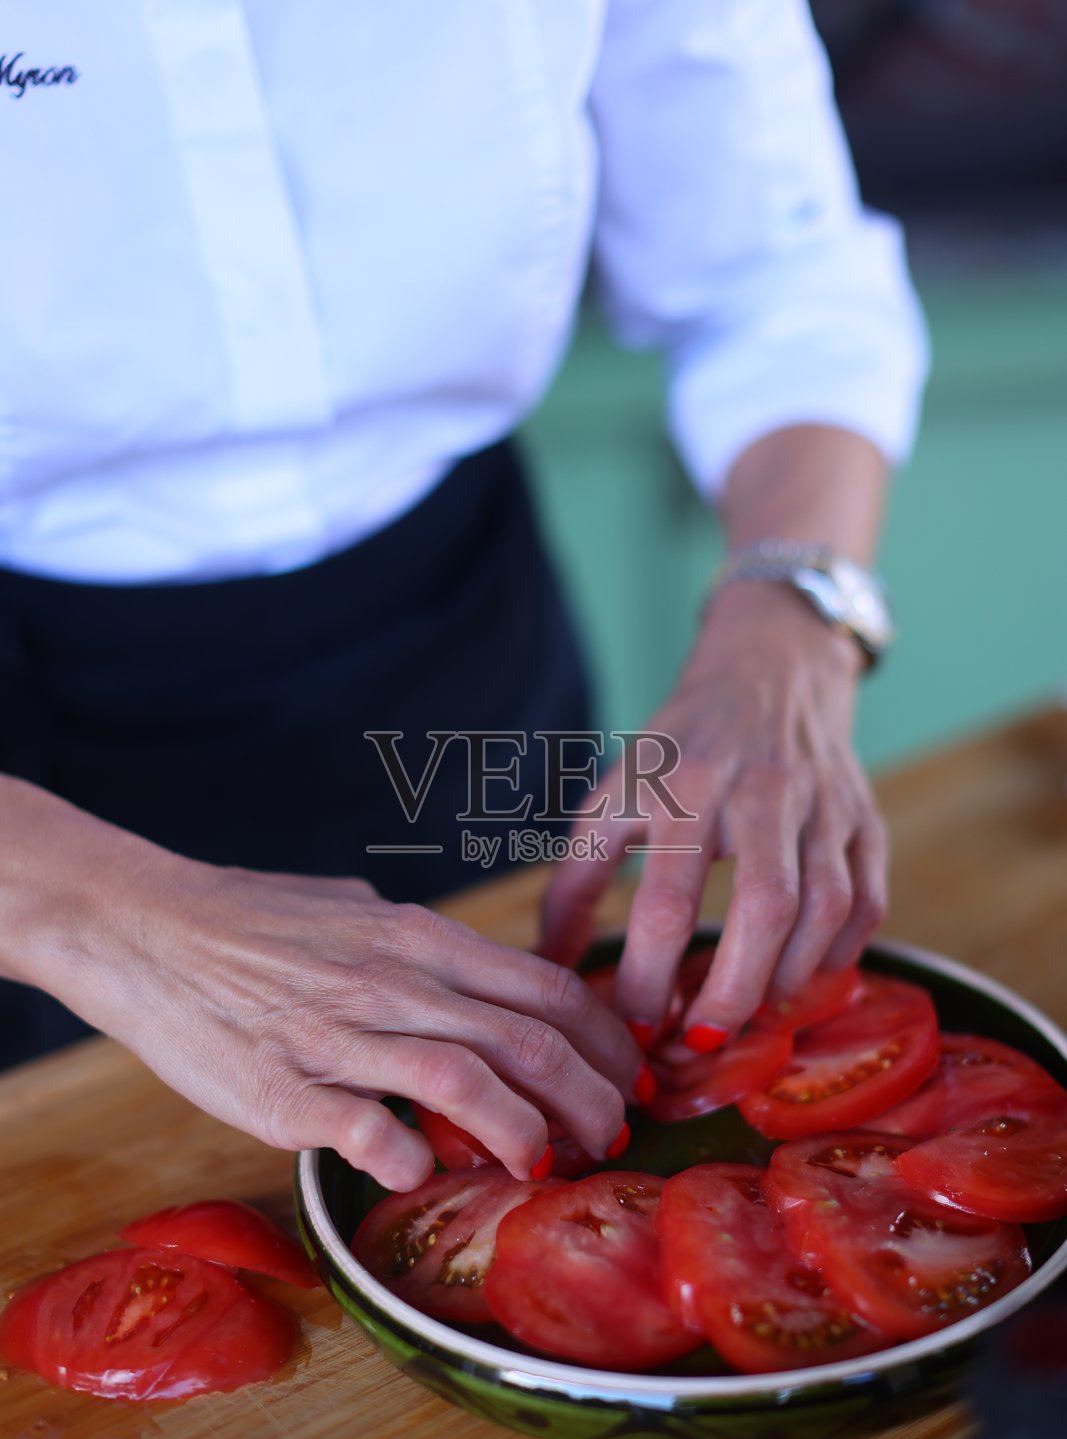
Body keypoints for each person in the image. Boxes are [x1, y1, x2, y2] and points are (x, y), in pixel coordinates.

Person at [0, 1, 928, 1191]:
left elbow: (776, 273)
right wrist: (88, 907)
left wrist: (787, 630)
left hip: (455, 638)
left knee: (555, 1114)